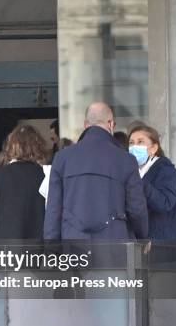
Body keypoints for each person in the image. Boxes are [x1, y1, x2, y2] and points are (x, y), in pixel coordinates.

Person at [44, 102, 148, 240]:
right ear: (110, 124)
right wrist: (143, 236)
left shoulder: (62, 158)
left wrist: (52, 249)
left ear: (86, 125)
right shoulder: (126, 160)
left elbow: (53, 211)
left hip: (73, 246)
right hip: (114, 246)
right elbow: (136, 209)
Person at [128, 124, 176, 269]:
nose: (134, 146)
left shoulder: (167, 172)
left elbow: (165, 203)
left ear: (154, 148)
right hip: (144, 247)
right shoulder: (133, 172)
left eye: (140, 142)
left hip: (165, 248)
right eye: (131, 143)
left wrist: (141, 183)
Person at [0, 125, 47, 239]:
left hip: (6, 245)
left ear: (11, 146)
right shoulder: (45, 175)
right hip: (38, 247)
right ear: (38, 146)